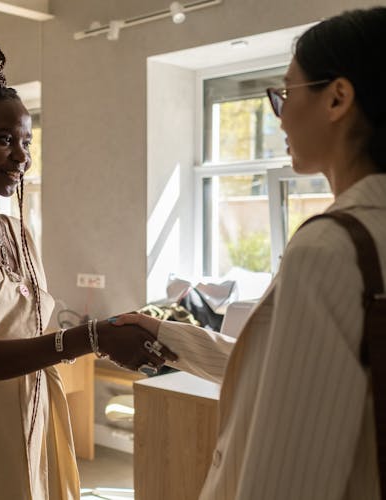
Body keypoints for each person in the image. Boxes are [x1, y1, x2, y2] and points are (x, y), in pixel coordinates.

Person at [114, 7, 386, 499]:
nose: (277, 114)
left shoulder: (329, 248)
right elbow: (280, 368)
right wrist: (165, 335)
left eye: (286, 93)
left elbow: (287, 470)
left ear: (337, 98)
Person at [0, 41, 176, 500]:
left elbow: (35, 325)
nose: (21, 156)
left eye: (26, 141)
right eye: (4, 139)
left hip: (36, 411)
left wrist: (116, 331)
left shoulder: (19, 233)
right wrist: (94, 338)